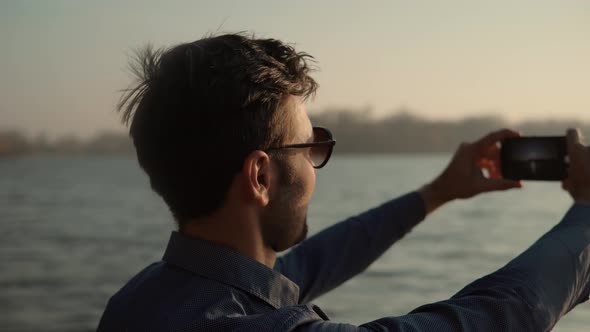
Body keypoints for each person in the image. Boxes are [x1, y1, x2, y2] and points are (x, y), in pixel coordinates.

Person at [97, 33, 590, 331]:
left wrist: (439, 192)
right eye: (309, 147)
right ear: (261, 175)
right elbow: (497, 317)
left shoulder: (142, 298)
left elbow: (313, 263)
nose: (314, 166)